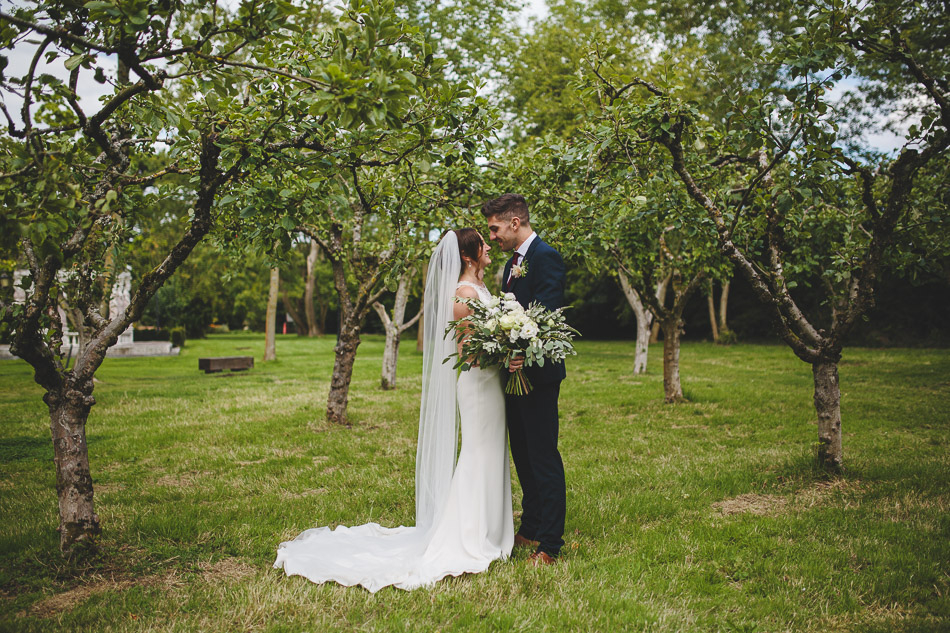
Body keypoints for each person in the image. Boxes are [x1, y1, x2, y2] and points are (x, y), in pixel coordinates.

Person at [273, 229, 513, 592]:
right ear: (468, 256)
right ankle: (468, 535)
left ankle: (491, 527)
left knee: (492, 450)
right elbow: (468, 351)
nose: (489, 247)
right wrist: (506, 347)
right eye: (483, 243)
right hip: (478, 383)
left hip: (491, 384)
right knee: (478, 452)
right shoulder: (464, 295)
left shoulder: (479, 289)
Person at [482, 193, 567, 567]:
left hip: (539, 375)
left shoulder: (545, 257)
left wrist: (523, 352)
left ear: (515, 223)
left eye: (495, 228)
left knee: (543, 456)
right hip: (513, 374)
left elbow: (548, 315)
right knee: (523, 456)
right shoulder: (511, 265)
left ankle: (550, 543)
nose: (493, 237)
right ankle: (530, 526)